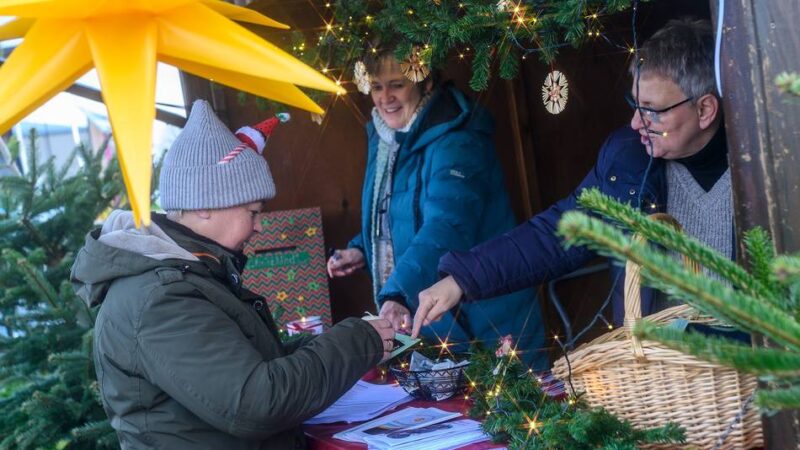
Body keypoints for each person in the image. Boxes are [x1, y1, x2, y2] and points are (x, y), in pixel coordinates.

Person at [71, 100, 395, 450]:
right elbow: (257, 402)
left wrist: (332, 343)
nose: (259, 226)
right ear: (205, 206)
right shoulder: (160, 298)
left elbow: (248, 363)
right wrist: (356, 342)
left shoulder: (189, 273)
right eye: (253, 211)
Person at [412, 18, 729, 338]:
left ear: (704, 110)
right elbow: (557, 233)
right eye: (635, 104)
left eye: (652, 109)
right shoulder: (627, 160)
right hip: (656, 372)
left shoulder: (764, 170)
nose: (635, 123)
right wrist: (462, 279)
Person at [326, 43, 546, 368]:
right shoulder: (387, 135)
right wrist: (362, 249)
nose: (385, 97)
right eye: (376, 86)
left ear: (425, 81)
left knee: (514, 409)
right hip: (440, 319)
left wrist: (400, 292)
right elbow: (398, 212)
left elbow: (446, 225)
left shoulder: (457, 139)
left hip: (485, 315)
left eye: (396, 85)